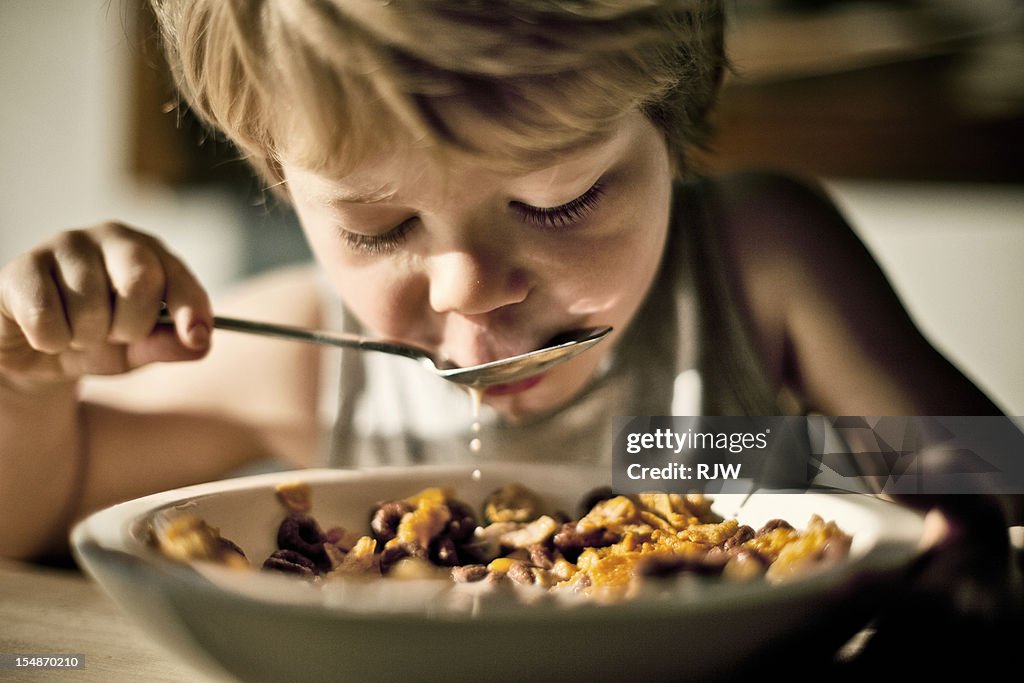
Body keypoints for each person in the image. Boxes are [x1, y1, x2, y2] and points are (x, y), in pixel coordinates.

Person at [0, 0, 1017, 615]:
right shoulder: (312, 353)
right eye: (377, 225)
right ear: (278, 179)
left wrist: (757, 466)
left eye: (557, 199)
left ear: (670, 123)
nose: (467, 287)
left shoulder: (759, 263)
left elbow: (989, 466)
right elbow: (37, 510)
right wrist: (28, 379)